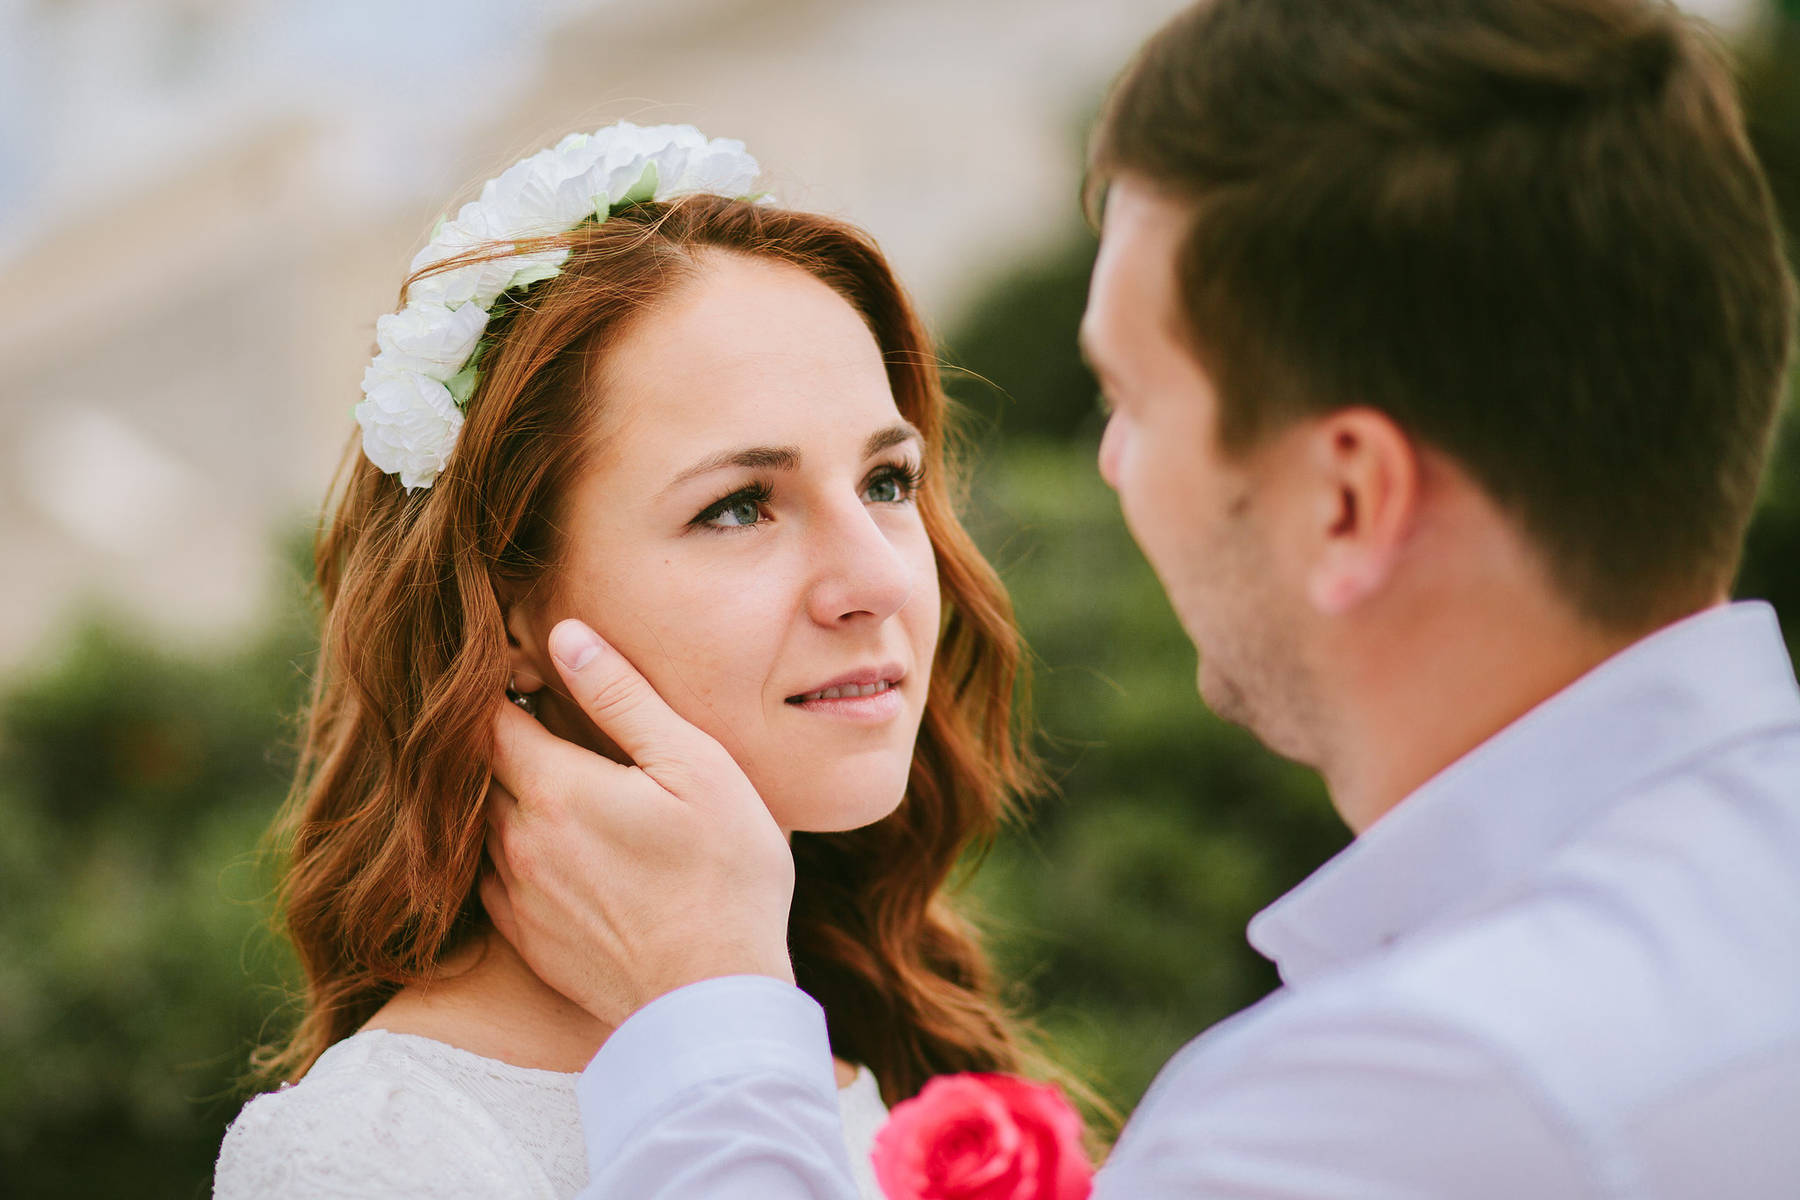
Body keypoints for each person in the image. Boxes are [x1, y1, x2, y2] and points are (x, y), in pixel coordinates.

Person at [481, 0, 1800, 1196]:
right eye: (737, 506)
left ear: (1347, 501)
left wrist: (702, 1010)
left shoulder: (1391, 1109)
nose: (1107, 464)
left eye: (1133, 402)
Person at [212, 122, 1051, 1199]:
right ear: (506, 611)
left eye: (887, 482)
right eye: (741, 506)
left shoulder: (884, 1051)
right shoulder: (380, 1153)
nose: (881, 581)